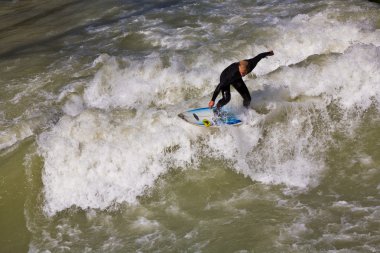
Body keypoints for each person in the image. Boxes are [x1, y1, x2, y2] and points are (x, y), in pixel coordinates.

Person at [208, 50, 274, 112]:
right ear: (239, 68)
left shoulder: (251, 64)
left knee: (248, 99)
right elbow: (220, 86)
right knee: (227, 98)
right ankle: (217, 110)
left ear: (248, 69)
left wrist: (268, 53)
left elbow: (259, 56)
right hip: (225, 77)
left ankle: (245, 111)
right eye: (241, 73)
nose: (242, 75)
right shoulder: (232, 74)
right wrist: (212, 100)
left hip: (237, 78)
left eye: (244, 73)